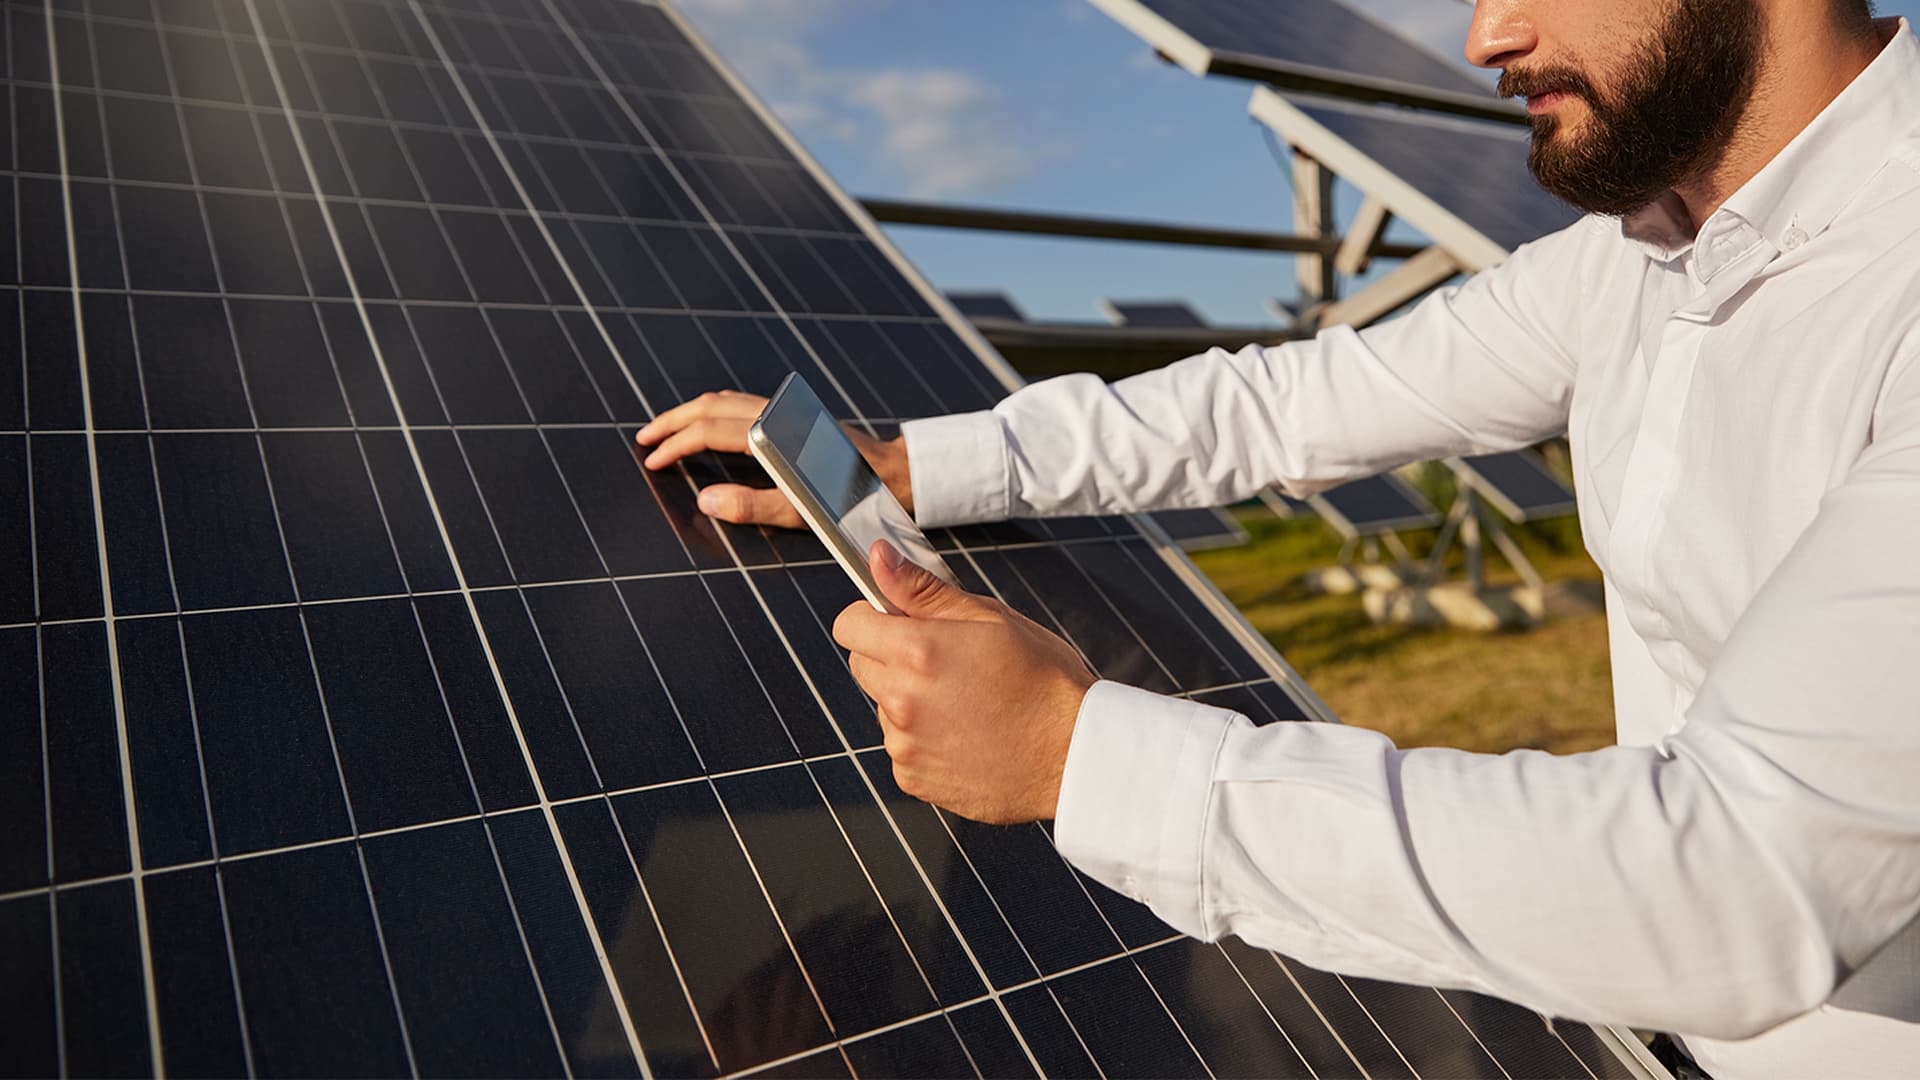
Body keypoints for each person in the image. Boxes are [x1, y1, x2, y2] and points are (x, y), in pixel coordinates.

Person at [635, 0, 1920, 1075]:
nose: (1484, 34)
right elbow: (1286, 402)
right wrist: (925, 459)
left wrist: (1081, 754)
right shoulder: (1634, 263)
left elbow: (1742, 881)